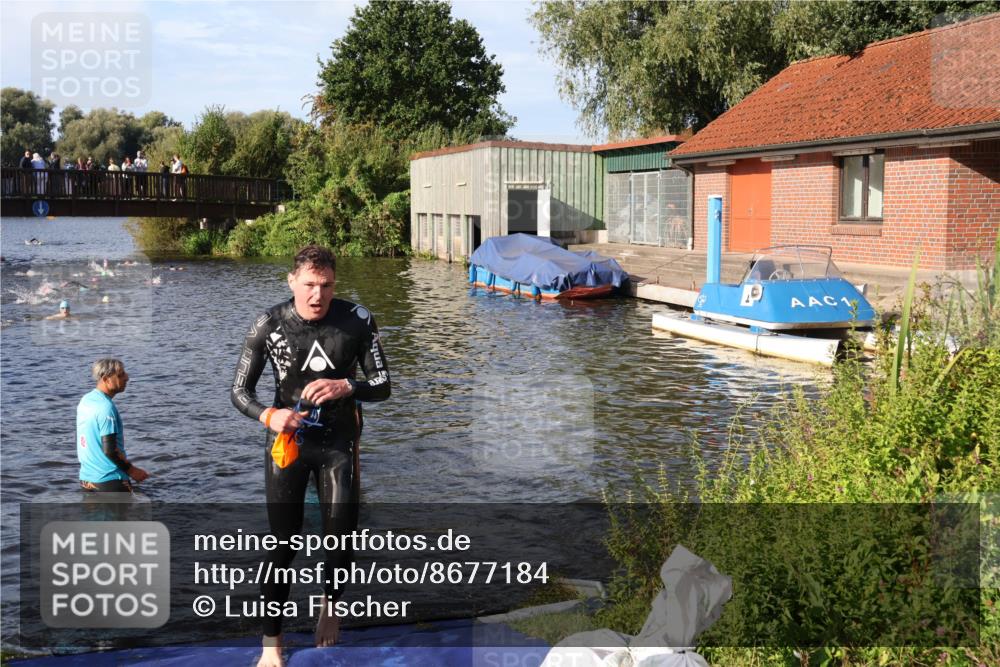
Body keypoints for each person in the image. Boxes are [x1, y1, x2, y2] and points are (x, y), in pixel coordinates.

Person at [231, 245, 390, 666]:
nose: (317, 295)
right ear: (291, 282)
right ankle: (272, 643)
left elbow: (383, 384)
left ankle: (329, 606)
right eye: (309, 286)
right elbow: (238, 392)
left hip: (339, 442)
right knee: (283, 542)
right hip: (290, 445)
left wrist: (348, 387)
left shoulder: (356, 320)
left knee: (341, 534)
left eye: (326, 286)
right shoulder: (269, 324)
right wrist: (269, 415)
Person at [77, 359, 150, 492]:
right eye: (121, 375)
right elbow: (110, 450)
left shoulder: (86, 400)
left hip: (87, 480)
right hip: (110, 481)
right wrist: (132, 471)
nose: (127, 378)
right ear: (106, 379)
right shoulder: (106, 408)